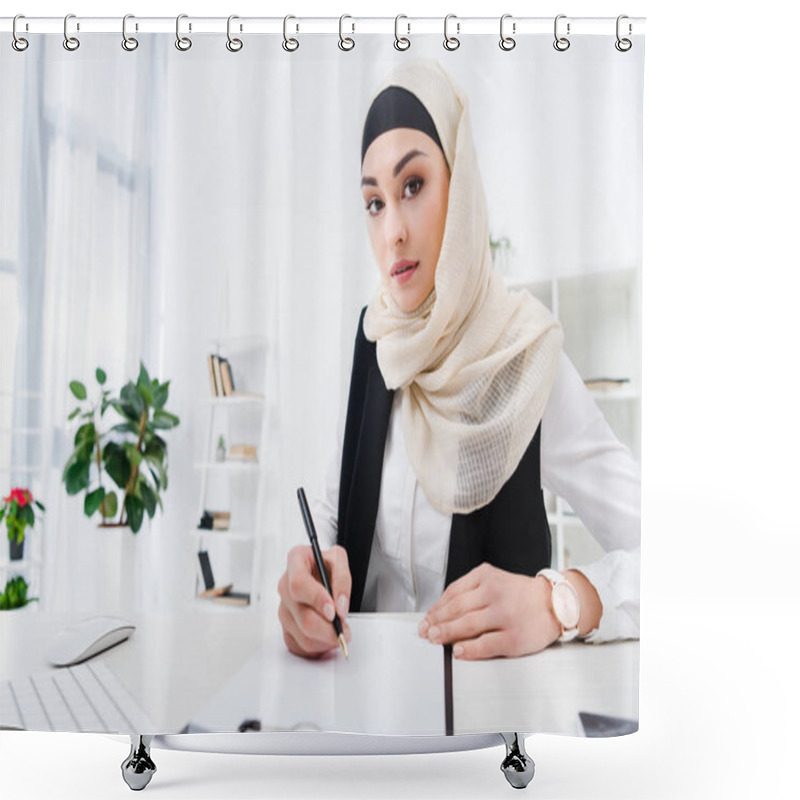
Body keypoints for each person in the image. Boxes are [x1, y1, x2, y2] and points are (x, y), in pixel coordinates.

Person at [278, 59, 640, 661]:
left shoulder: (524, 357)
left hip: (490, 727)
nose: (392, 230)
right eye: (374, 202)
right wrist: (307, 585)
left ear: (460, 183)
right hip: (365, 718)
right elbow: (335, 512)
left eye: (413, 186)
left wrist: (562, 601)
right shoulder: (377, 341)